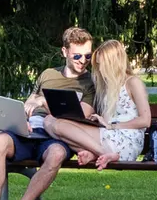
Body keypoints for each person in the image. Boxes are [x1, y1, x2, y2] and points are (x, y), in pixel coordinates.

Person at [0, 27, 95, 200]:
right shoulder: (48, 74)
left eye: (88, 56)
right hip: (30, 130)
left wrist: (46, 101)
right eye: (77, 56)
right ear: (64, 52)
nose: (83, 61)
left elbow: (82, 115)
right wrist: (22, 118)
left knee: (57, 154)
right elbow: (29, 103)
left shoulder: (89, 82)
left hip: (57, 135)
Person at [44, 39, 151, 171]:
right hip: (110, 136)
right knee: (49, 122)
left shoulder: (133, 82)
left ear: (114, 62)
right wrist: (99, 121)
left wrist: (112, 126)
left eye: (103, 64)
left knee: (58, 125)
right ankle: (95, 153)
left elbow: (145, 120)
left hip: (126, 140)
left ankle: (101, 153)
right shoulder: (108, 86)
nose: (100, 69)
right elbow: (109, 121)